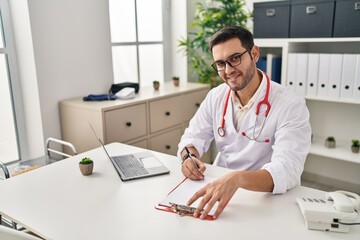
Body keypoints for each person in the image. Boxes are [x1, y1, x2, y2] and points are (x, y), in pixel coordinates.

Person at [177, 26, 311, 220]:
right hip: (220, 191)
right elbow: (192, 137)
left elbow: (288, 169)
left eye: (234, 58)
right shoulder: (216, 96)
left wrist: (236, 179)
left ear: (254, 54)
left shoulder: (290, 105)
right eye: (221, 63)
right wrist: (188, 158)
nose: (229, 70)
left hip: (266, 199)